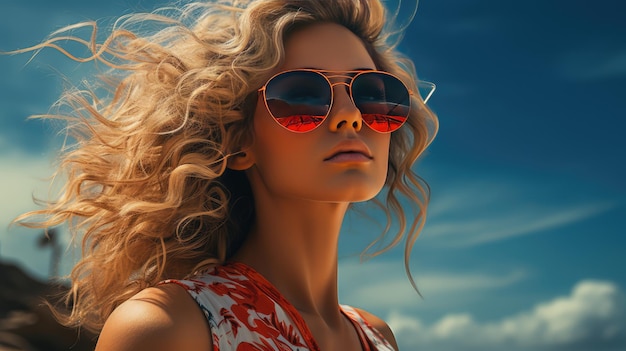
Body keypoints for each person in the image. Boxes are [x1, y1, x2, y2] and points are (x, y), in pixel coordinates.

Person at [14, 0, 438, 349]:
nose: (349, 116)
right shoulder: (169, 327)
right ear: (238, 143)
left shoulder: (377, 337)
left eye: (371, 95)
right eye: (303, 95)